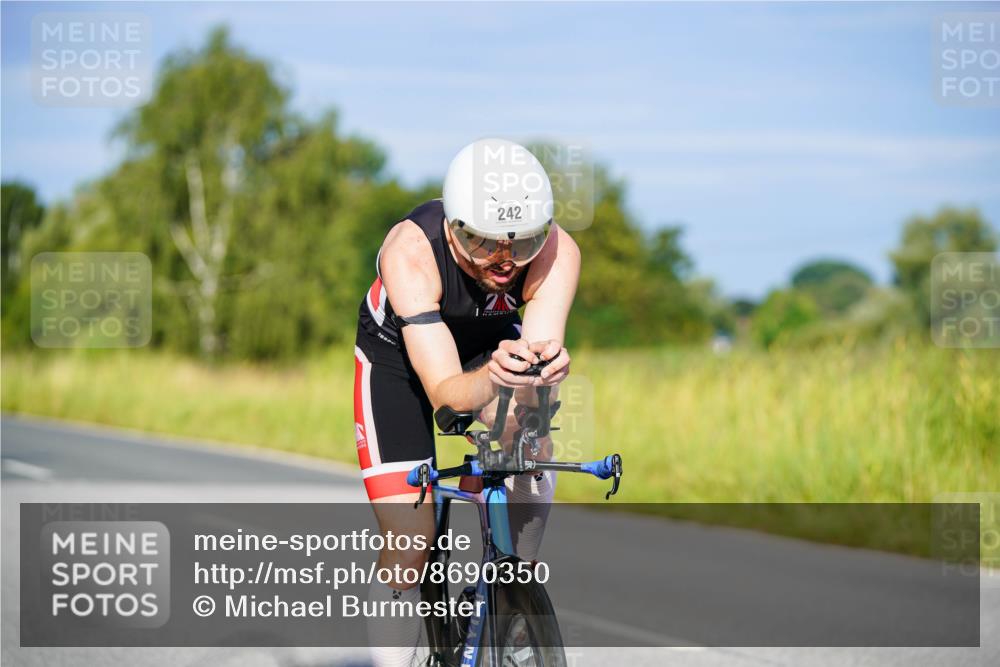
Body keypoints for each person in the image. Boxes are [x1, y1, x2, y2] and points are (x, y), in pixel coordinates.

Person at [353, 137, 580, 666]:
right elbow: (446, 395)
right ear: (453, 227)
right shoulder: (409, 252)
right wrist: (494, 380)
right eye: (483, 244)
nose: (504, 261)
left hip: (491, 345)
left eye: (520, 244)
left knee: (529, 444)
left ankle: (509, 605)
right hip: (401, 362)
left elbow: (535, 365)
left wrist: (538, 377)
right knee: (411, 552)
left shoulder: (557, 252)